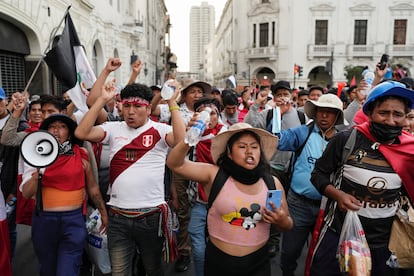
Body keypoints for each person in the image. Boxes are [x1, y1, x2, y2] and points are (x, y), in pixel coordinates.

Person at [75, 81, 185, 276]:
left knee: (152, 269)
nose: (130, 112)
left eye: (137, 106)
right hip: (118, 217)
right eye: (126, 106)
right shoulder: (113, 128)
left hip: (151, 216)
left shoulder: (160, 130)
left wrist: (172, 103)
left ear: (148, 108)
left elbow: (180, 140)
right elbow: (81, 132)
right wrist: (102, 99)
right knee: (119, 272)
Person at [310, 81, 414, 276]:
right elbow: (318, 175)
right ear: (370, 113)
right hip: (339, 236)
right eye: (383, 113)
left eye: (398, 114)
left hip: (384, 244)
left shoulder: (410, 151)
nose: (390, 121)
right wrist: (338, 195)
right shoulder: (347, 139)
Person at [167, 122, 293, 276]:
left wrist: (281, 220)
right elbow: (175, 164)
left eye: (254, 147)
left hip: (258, 263)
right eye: (241, 147)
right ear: (229, 153)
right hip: (219, 262)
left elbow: (286, 224)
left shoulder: (273, 183)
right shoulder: (213, 175)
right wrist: (191, 136)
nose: (249, 152)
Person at [20, 114, 108, 276]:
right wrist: (39, 172)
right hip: (44, 222)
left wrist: (103, 212)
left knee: (67, 270)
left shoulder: (80, 154)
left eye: (62, 126)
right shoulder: (34, 156)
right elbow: (26, 193)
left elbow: (93, 188)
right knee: (48, 269)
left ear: (69, 132)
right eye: (52, 127)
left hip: (73, 221)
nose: (56, 130)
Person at [276, 93, 347, 276]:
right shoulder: (303, 132)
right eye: (321, 111)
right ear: (314, 113)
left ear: (337, 116)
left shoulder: (344, 140)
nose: (324, 116)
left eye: (329, 112)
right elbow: (276, 140)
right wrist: (279, 114)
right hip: (298, 204)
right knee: (290, 252)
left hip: (329, 208)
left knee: (323, 256)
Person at [245, 80, 306, 257]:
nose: (282, 98)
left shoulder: (301, 116)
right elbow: (250, 126)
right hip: (270, 168)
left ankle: (285, 241)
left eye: (285, 94)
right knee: (271, 204)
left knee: (287, 209)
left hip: (291, 171)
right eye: (278, 95)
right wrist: (257, 104)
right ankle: (271, 240)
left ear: (291, 96)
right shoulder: (269, 114)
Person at [171, 78, 211, 272]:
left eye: (199, 92)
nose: (196, 95)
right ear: (185, 95)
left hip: (202, 168)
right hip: (180, 166)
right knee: (183, 210)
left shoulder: (210, 113)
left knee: (203, 208)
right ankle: (184, 252)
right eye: (192, 91)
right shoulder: (177, 113)